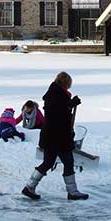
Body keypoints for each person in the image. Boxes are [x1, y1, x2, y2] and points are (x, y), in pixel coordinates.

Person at [22, 71, 88, 201]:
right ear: (65, 83)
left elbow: (58, 111)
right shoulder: (58, 95)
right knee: (68, 162)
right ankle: (72, 192)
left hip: (51, 136)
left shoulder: (55, 94)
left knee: (48, 162)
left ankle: (29, 187)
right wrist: (69, 106)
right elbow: (59, 116)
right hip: (58, 137)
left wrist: (69, 105)